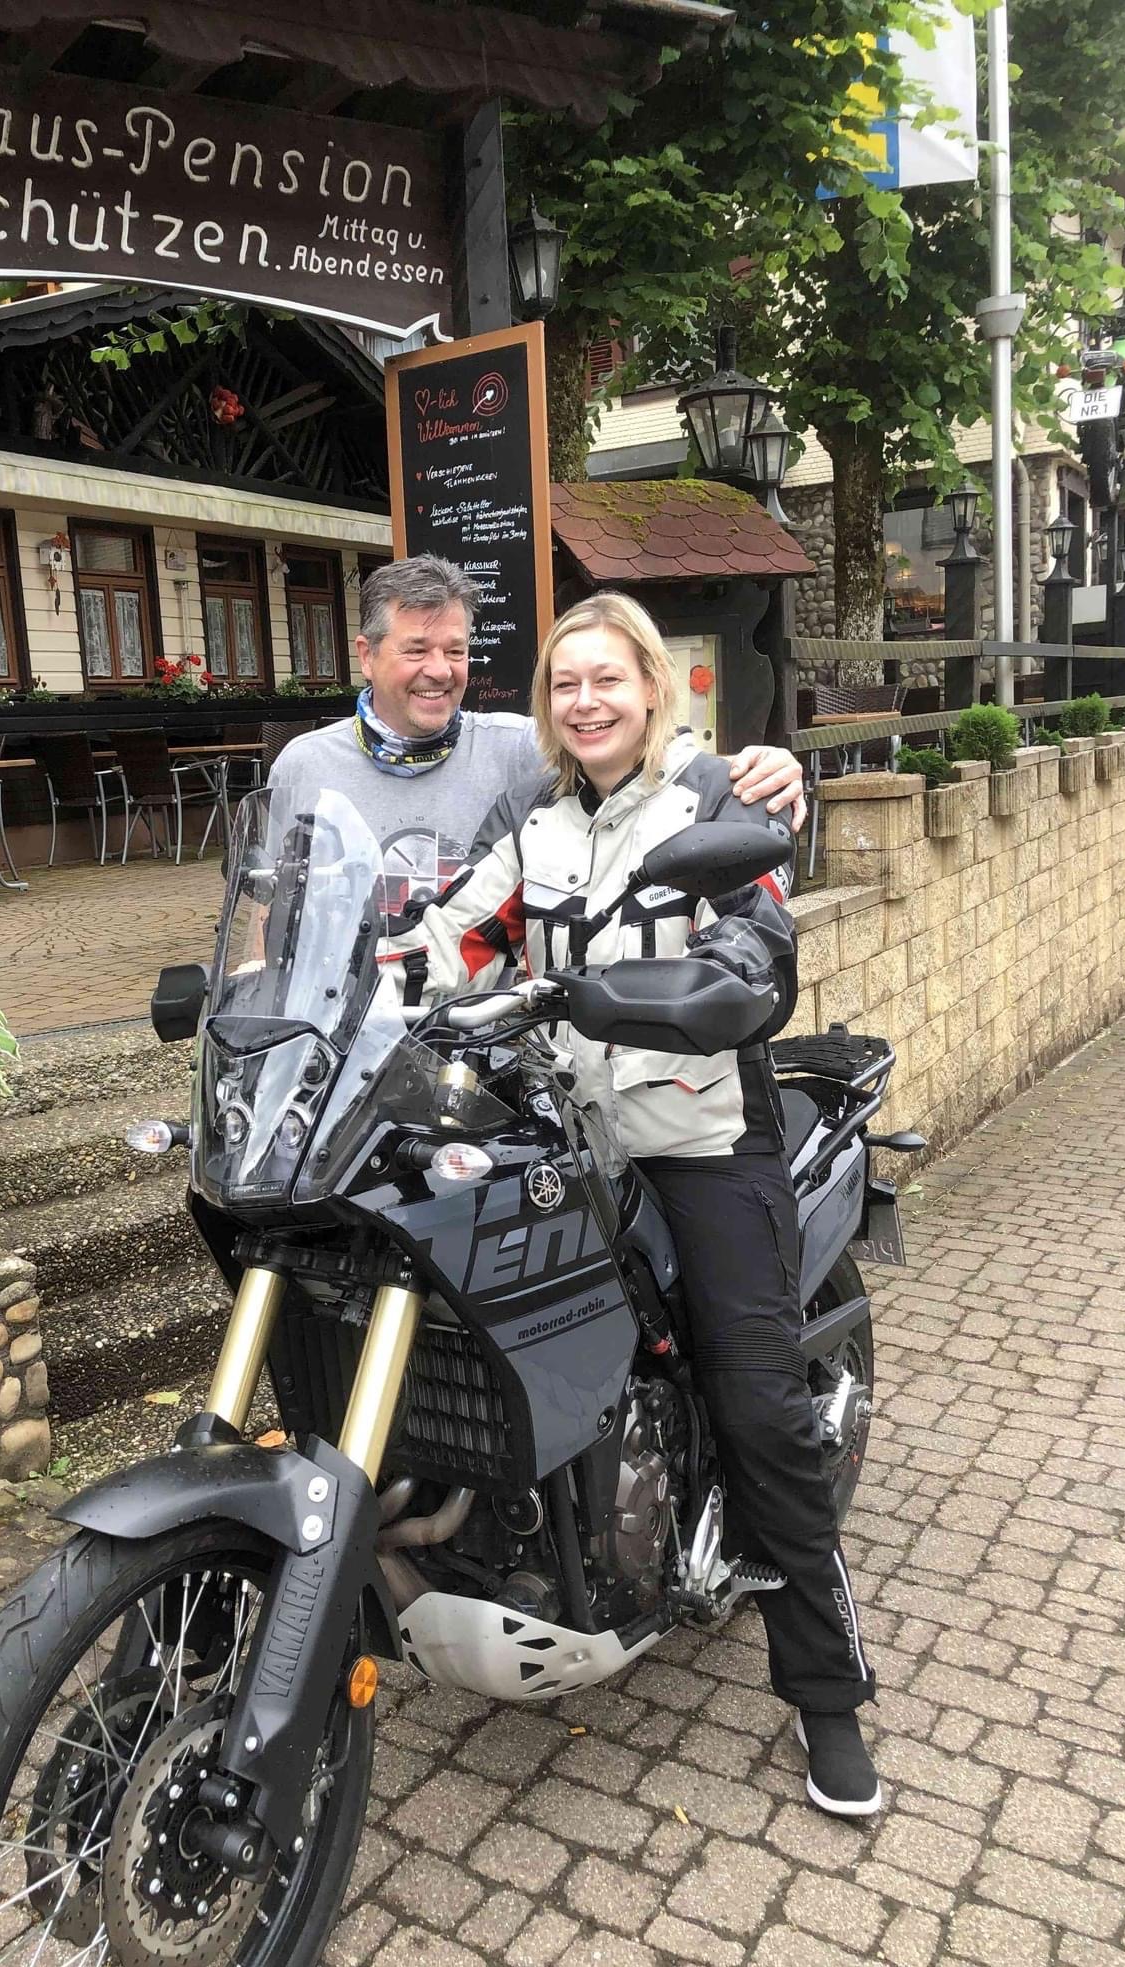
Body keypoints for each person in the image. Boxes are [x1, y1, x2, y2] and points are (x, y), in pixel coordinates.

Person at [381, 589, 881, 1819]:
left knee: (759, 1405)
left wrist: (720, 979)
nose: (586, 699)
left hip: (702, 1142)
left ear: (654, 686)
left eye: (608, 677)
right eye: (565, 682)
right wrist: (346, 986)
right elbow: (448, 939)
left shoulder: (714, 798)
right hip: (571, 1135)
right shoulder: (536, 826)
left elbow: (758, 941)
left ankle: (828, 1692)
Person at [267, 555, 805, 865]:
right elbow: (273, 913)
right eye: (416, 650)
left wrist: (752, 771)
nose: (440, 670)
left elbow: (645, 761)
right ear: (367, 656)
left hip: (485, 1021)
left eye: (455, 650)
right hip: (341, 1027)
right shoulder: (304, 765)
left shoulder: (520, 748)